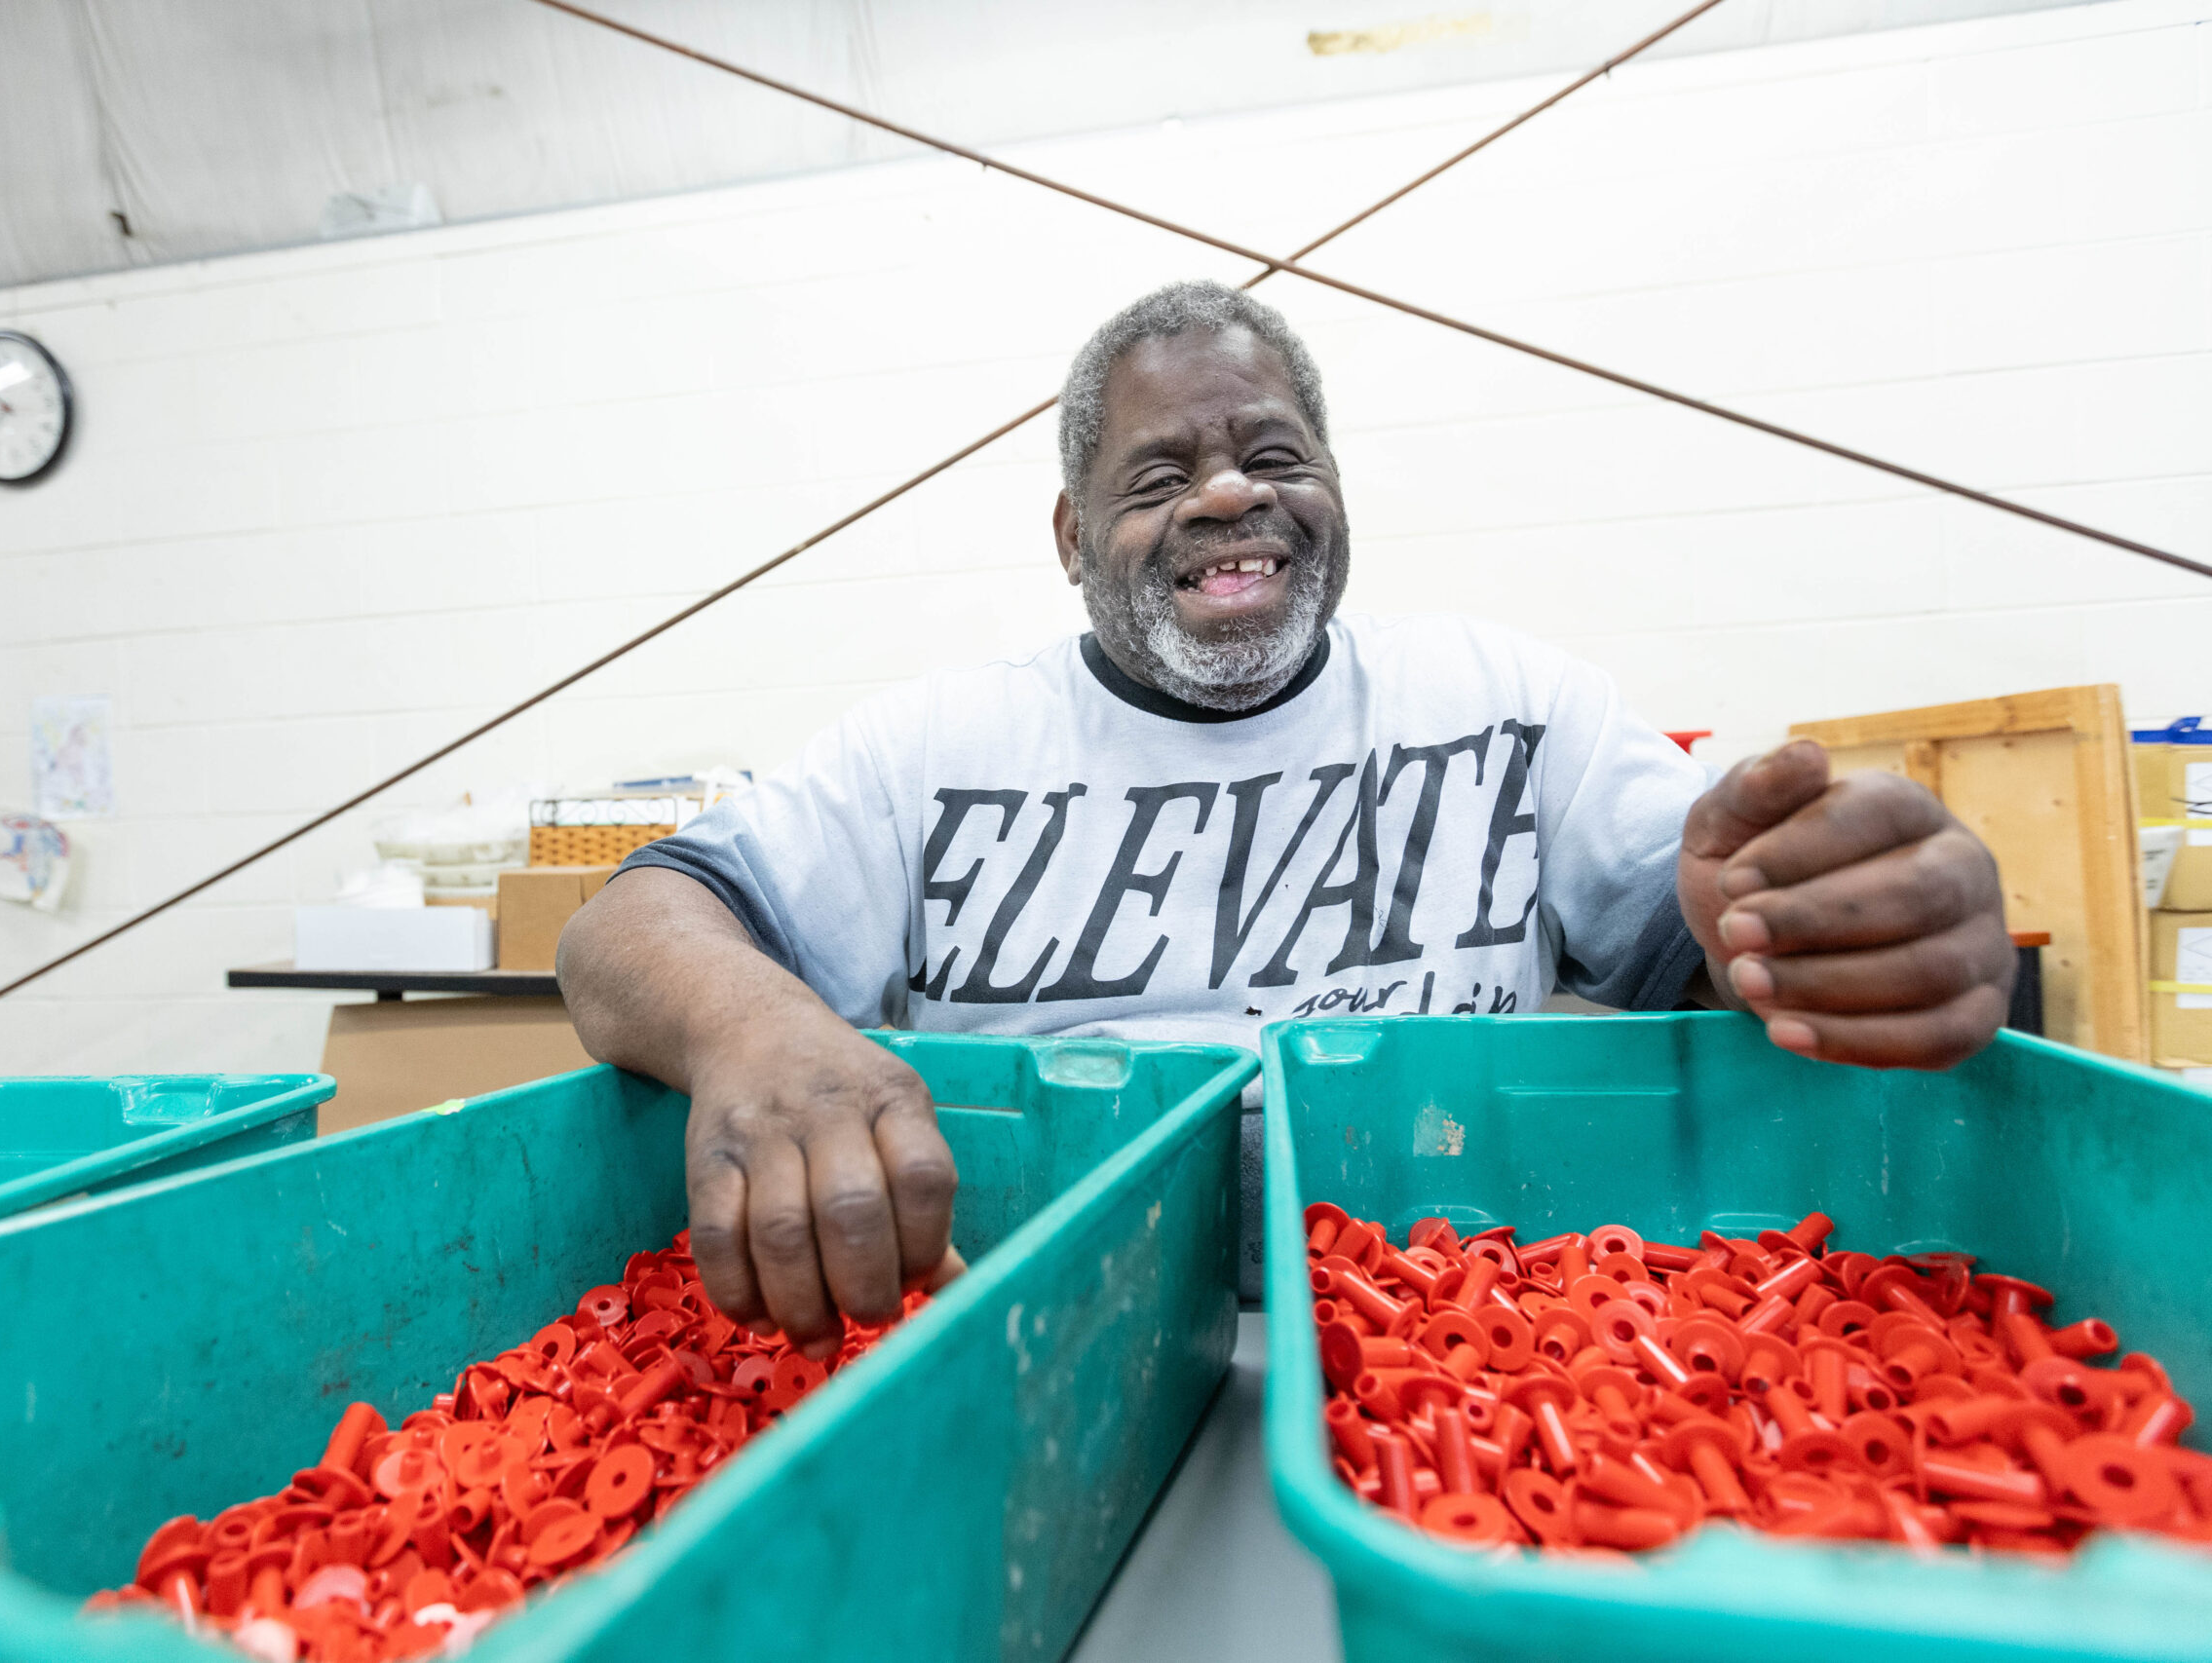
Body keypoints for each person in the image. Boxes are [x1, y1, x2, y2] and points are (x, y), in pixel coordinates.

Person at [558, 280, 2013, 1359]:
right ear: (1072, 540)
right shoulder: (929, 753)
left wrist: (1800, 925)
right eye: (1157, 476)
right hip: (1049, 1348)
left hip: (1472, 1349)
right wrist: (758, 1027)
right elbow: (624, 931)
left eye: (1276, 455)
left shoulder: (1509, 704)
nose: (1232, 492)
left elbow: (1720, 935)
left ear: (1332, 490)